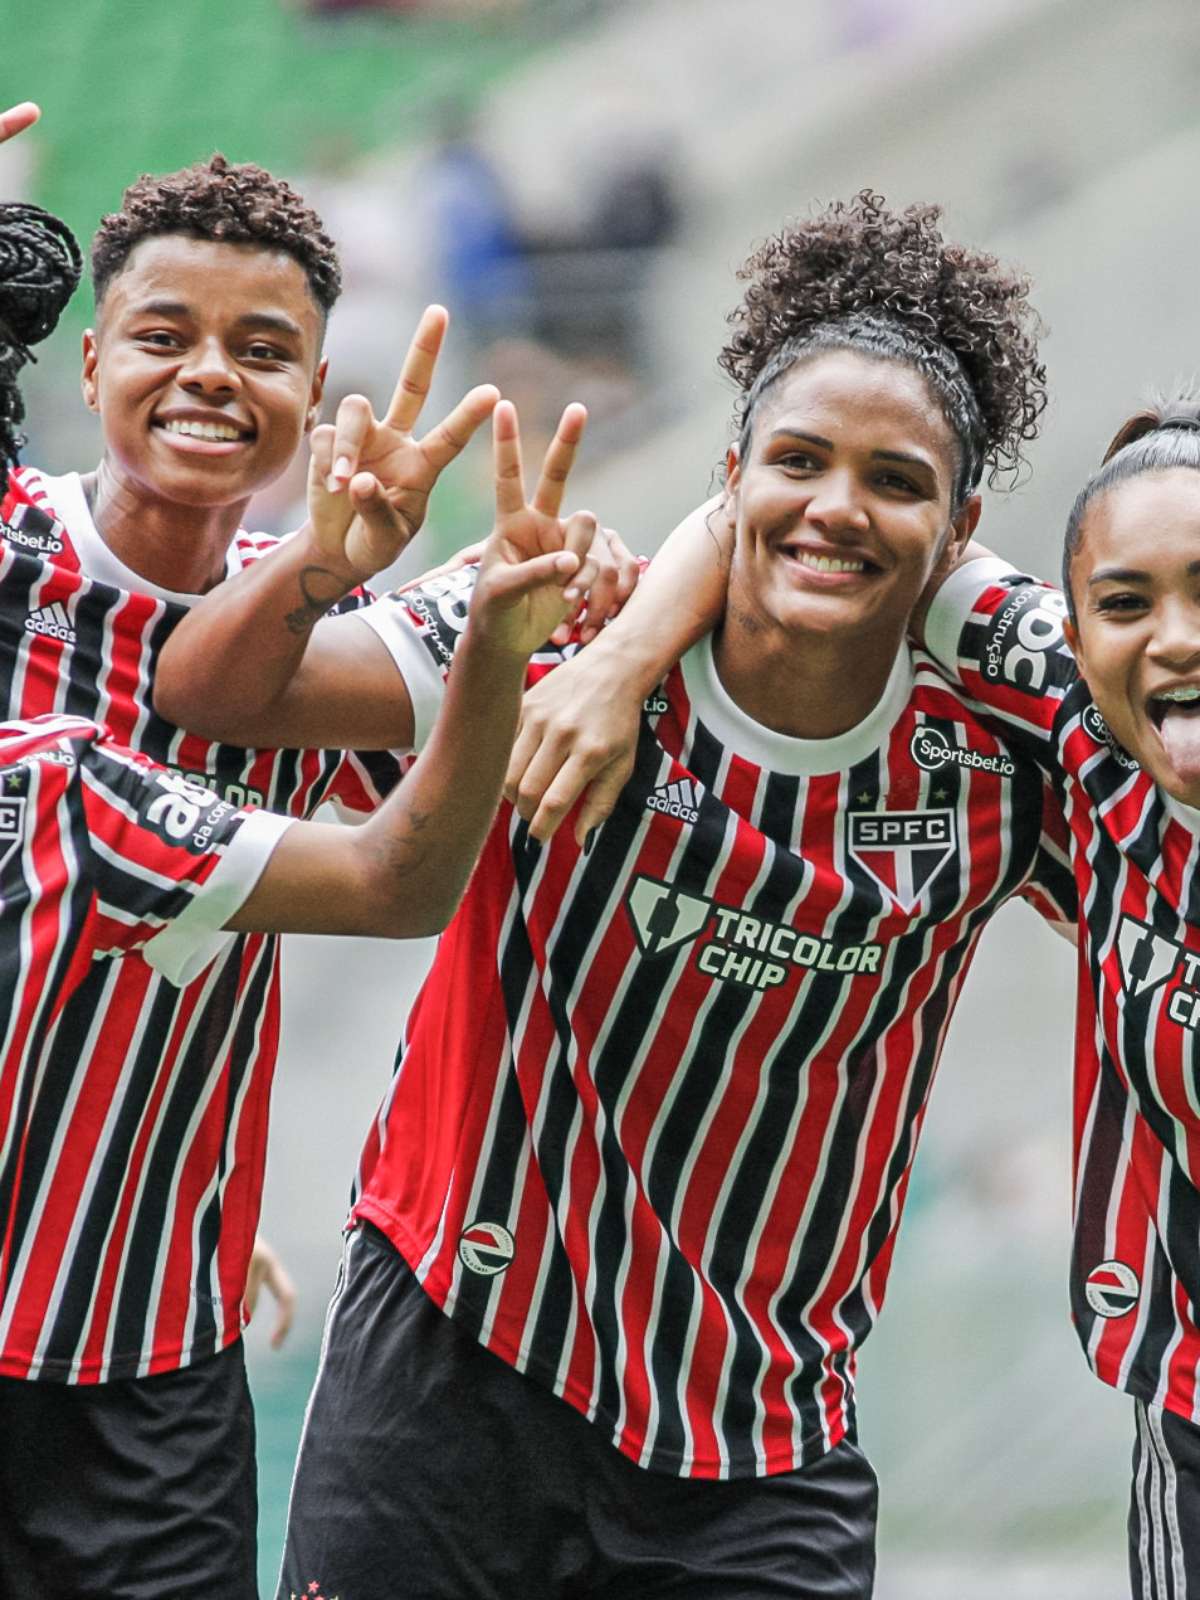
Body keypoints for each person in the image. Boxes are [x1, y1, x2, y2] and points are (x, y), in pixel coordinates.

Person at [158, 192, 1077, 1598]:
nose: (836, 505)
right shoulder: (551, 631)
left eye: (896, 482)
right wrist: (330, 558)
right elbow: (229, 697)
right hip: (456, 1359)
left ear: (956, 534)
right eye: (799, 462)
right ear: (728, 476)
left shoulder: (993, 771)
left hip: (759, 1439)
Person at [0, 112, 628, 1596]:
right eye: (164, 334)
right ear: (89, 365)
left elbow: (429, 834)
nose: (212, 372)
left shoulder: (330, 649)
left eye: (265, 350)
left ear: (318, 397)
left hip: (150, 1341)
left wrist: (588, 586)